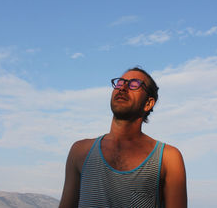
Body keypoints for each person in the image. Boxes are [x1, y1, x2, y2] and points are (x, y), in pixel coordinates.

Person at [59, 67, 187, 208]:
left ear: (148, 103)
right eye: (120, 83)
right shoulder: (80, 151)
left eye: (134, 84)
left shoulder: (168, 158)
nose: (123, 88)